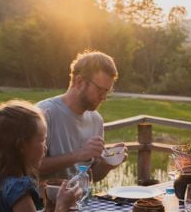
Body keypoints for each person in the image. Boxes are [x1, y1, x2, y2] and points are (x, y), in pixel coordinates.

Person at [36, 50, 126, 182]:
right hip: (46, 201)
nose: (104, 97)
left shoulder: (96, 120)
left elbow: (90, 177)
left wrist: (107, 165)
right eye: (100, 90)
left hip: (80, 200)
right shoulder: (44, 113)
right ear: (79, 82)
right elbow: (28, 167)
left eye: (108, 91)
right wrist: (77, 155)